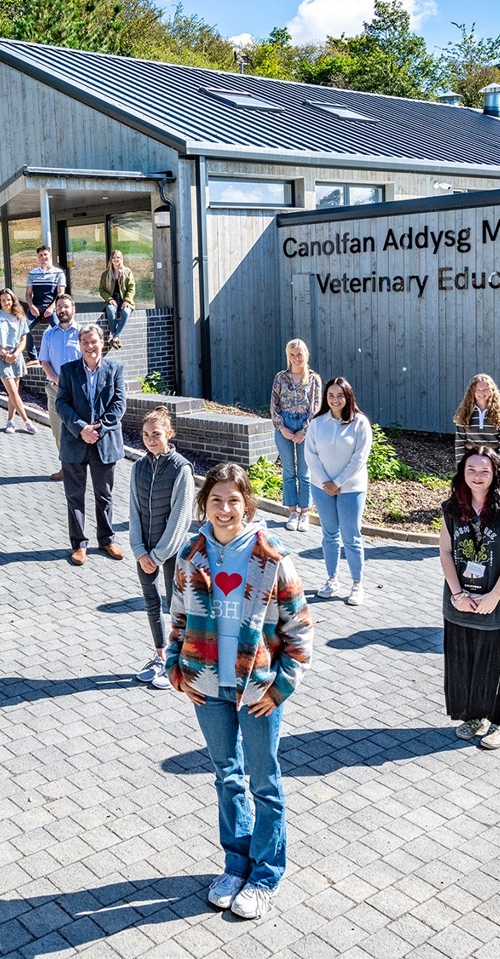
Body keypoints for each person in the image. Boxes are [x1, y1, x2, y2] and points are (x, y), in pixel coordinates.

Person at [165, 462, 312, 921]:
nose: (225, 509)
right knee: (227, 777)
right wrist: (176, 670)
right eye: (216, 500)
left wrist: (282, 686)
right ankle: (235, 865)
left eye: (233, 500)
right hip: (208, 687)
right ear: (204, 504)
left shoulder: (272, 557)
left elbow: (300, 630)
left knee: (264, 782)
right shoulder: (192, 555)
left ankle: (265, 876)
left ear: (247, 504)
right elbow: (178, 620)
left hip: (257, 691)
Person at [439, 447, 500, 751]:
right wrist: (457, 594)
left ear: (495, 474)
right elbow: (446, 552)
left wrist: (494, 596)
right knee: (463, 660)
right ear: (463, 472)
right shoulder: (452, 507)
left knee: (494, 663)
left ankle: (498, 722)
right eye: (472, 470)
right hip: (461, 600)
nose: (478, 476)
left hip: (497, 598)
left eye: (484, 471)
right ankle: (474, 716)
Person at [129, 406, 194, 690]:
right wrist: (139, 550)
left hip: (170, 552)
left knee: (175, 605)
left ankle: (179, 660)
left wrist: (157, 555)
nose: (150, 439)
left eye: (156, 434)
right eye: (145, 434)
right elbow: (133, 511)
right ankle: (160, 655)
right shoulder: (138, 467)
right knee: (150, 602)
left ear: (169, 434)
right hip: (145, 550)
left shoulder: (181, 468)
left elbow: (181, 517)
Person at [56, 323, 126, 565]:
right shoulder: (68, 370)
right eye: (84, 342)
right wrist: (80, 428)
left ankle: (106, 540)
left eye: (93, 341)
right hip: (75, 442)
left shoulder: (115, 369)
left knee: (104, 495)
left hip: (104, 442)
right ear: (79, 345)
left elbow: (119, 404)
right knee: (74, 496)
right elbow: (61, 404)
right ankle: (78, 544)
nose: (89, 346)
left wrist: (98, 429)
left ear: (102, 342)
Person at [304, 377, 372, 606]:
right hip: (321, 487)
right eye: (331, 395)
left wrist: (339, 482)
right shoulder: (317, 423)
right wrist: (326, 482)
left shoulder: (360, 423)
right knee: (329, 534)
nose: (335, 400)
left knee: (351, 537)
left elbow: (360, 458)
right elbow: (310, 455)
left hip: (351, 489)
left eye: (339, 395)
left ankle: (357, 584)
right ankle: (332, 579)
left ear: (348, 396)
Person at [270, 339, 321, 532]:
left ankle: (305, 512)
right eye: (292, 355)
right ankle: (292, 511)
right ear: (288, 356)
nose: (296, 358)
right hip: (285, 425)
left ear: (305, 355)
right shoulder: (281, 378)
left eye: (299, 354)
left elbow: (316, 407)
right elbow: (274, 405)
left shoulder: (314, 379)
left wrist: (304, 430)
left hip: (305, 427)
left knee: (304, 472)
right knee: (289, 471)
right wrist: (282, 428)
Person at [37, 294, 83, 481]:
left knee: (79, 430)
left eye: (65, 306)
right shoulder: (49, 334)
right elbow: (44, 360)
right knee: (59, 431)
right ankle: (66, 468)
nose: (62, 310)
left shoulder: (83, 333)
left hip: (79, 390)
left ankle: (81, 468)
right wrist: (56, 379)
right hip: (56, 390)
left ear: (73, 309)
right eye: (59, 307)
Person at [0, 288, 37, 435]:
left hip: (16, 357)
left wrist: (16, 354)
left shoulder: (19, 317)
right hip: (1, 356)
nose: (6, 303)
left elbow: (23, 339)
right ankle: (27, 421)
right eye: (3, 300)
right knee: (12, 391)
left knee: (13, 393)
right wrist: (4, 353)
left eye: (9, 299)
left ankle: (10, 421)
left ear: (13, 300)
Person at [453, 373, 500, 465]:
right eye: (478, 390)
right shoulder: (464, 412)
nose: (481, 393)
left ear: (492, 391)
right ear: (472, 392)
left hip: (492, 458)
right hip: (470, 457)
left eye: (485, 390)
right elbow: (460, 440)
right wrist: (460, 464)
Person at [24, 244, 66, 360]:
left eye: (45, 255)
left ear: (50, 255)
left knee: (60, 329)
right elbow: (28, 294)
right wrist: (31, 306)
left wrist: (52, 308)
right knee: (24, 328)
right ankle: (33, 358)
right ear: (38, 257)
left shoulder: (59, 273)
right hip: (36, 307)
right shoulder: (32, 273)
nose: (43, 257)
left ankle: (61, 355)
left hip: (52, 307)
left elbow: (60, 294)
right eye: (41, 255)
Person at [99, 249, 136, 350]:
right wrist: (109, 299)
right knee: (110, 310)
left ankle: (115, 336)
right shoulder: (105, 274)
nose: (116, 259)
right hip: (112, 299)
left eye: (118, 257)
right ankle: (114, 335)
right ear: (111, 259)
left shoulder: (127, 272)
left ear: (121, 259)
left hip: (124, 299)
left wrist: (127, 300)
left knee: (126, 312)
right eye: (114, 257)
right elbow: (102, 290)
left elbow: (131, 288)